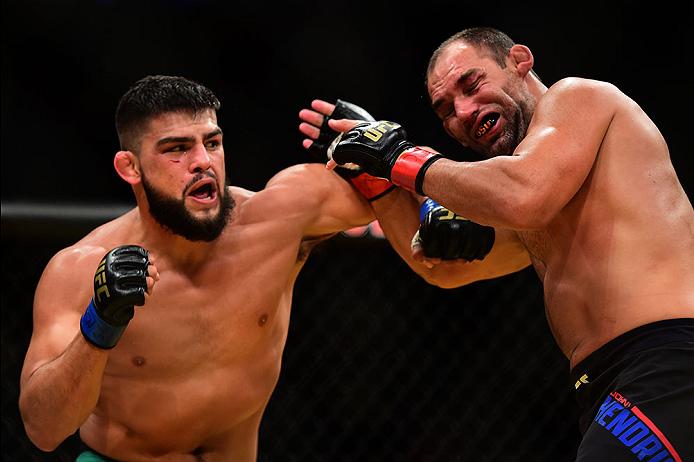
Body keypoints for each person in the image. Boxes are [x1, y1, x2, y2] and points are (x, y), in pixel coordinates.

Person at [322, 26, 694, 460]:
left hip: (669, 358)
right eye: (445, 110)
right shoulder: (529, 193)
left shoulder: (580, 99)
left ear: (519, 60)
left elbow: (523, 195)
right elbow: (441, 266)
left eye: (472, 83)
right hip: (609, 384)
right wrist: (377, 178)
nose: (462, 111)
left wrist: (398, 157)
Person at [18, 75, 379, 461]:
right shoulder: (79, 268)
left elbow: (404, 205)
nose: (203, 162)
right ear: (130, 167)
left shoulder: (275, 223)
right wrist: (100, 324)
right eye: (177, 149)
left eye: (212, 143)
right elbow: (43, 429)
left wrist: (380, 148)